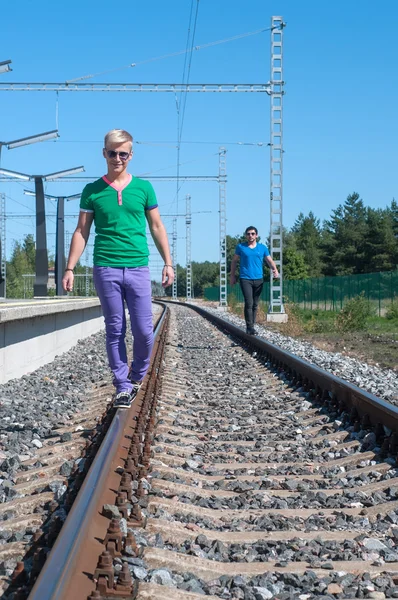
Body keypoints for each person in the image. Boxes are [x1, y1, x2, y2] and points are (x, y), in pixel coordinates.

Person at [62, 129, 174, 408]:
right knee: (115, 329)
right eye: (112, 152)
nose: (117, 158)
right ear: (104, 153)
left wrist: (168, 263)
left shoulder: (144, 188)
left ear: (131, 155)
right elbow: (81, 231)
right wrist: (70, 267)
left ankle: (136, 375)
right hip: (106, 267)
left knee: (144, 331)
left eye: (123, 153)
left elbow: (157, 226)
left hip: (138, 267)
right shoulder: (92, 191)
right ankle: (122, 385)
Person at [230, 225, 279, 334]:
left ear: (256, 235)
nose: (250, 236)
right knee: (249, 302)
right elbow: (234, 261)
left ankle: (252, 324)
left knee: (255, 303)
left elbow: (269, 260)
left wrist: (275, 269)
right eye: (248, 234)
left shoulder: (262, 248)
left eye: (252, 234)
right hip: (245, 278)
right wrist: (232, 276)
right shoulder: (241, 247)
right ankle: (249, 327)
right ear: (246, 235)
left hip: (258, 279)